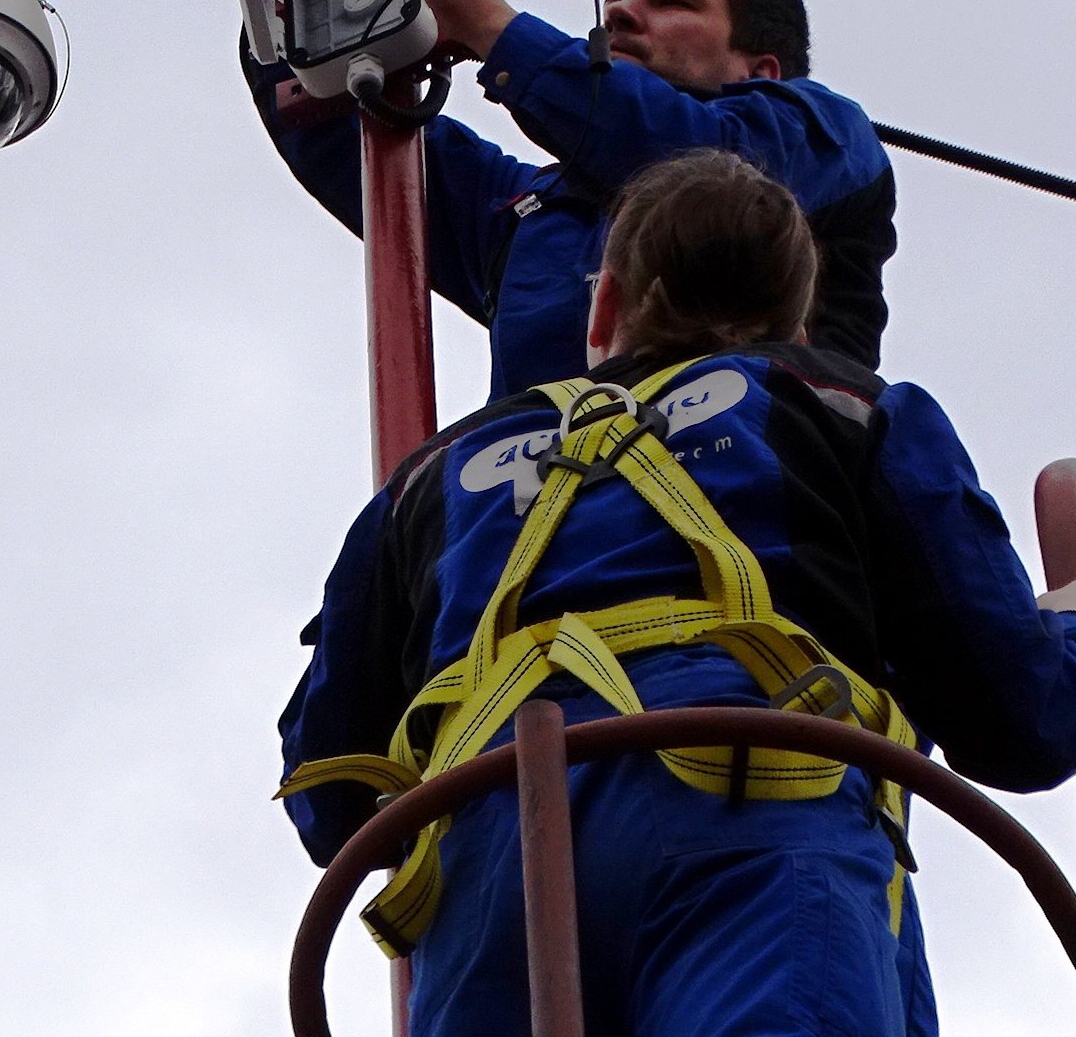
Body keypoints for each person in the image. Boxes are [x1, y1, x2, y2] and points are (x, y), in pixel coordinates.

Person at [277, 151, 1076, 1037]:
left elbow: (327, 793)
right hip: (753, 826)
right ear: (792, 315)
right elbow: (1021, 721)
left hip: (491, 856)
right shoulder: (844, 406)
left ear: (605, 303)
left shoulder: (427, 478)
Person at [227, 0, 896, 401]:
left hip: (759, 520)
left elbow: (700, 166)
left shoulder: (826, 133)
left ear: (762, 70)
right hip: (560, 533)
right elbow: (350, 139)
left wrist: (492, 26)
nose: (622, 10)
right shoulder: (523, 212)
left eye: (670, 0)